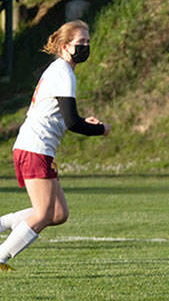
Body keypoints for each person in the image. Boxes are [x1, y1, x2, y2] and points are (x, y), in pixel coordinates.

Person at [0, 21, 110, 270]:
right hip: (35, 147)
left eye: (88, 43)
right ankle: (1, 256)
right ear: (64, 46)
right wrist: (100, 129)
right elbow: (71, 122)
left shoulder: (62, 70)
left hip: (36, 148)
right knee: (43, 213)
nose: (86, 47)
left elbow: (66, 115)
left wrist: (86, 122)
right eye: (80, 43)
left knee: (58, 213)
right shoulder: (62, 72)